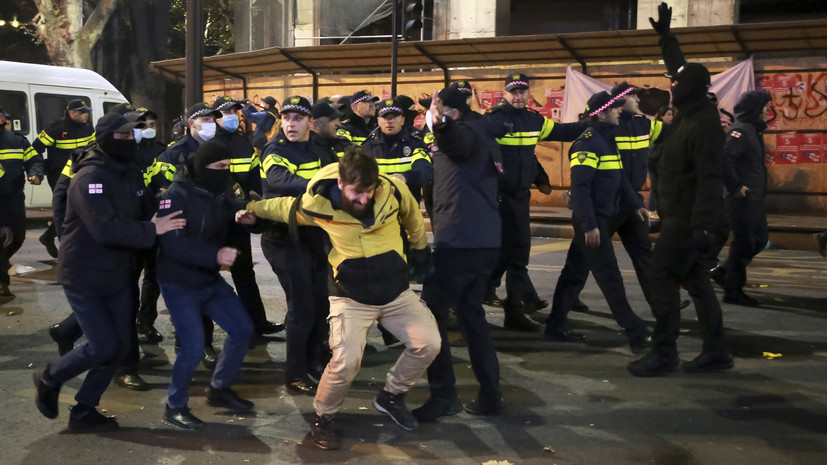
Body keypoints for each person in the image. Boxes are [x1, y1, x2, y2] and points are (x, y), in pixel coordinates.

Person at [237, 146, 441, 450]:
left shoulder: (392, 190)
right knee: (346, 360)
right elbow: (282, 207)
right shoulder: (317, 204)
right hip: (350, 296)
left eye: (369, 191)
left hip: (395, 292)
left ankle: (391, 396)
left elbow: (411, 213)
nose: (364, 199)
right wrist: (251, 208)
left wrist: (420, 248)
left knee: (428, 343)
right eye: (357, 192)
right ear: (342, 184)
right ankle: (323, 417)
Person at [32, 113, 186, 432]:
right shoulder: (91, 176)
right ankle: (49, 377)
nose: (132, 139)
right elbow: (104, 229)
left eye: (134, 134)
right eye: (125, 135)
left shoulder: (130, 171)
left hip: (117, 271)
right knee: (103, 346)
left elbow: (145, 206)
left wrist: (171, 204)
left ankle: (84, 410)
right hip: (84, 273)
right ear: (106, 139)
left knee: (118, 348)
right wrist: (150, 228)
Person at [628, 2, 733, 376]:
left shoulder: (704, 124)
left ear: (693, 90)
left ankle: (664, 352)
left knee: (662, 278)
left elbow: (710, 178)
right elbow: (680, 69)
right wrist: (666, 38)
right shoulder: (690, 110)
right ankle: (716, 350)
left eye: (677, 85)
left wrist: (703, 226)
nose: (671, 86)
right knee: (696, 283)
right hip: (681, 217)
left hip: (687, 222)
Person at [415, 87, 505, 421]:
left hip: (461, 244)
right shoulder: (485, 132)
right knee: (472, 318)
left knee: (430, 316)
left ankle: (444, 396)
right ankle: (491, 395)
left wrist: (441, 125)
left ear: (451, 112)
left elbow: (456, 142)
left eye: (436, 109)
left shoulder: (463, 134)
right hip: (484, 243)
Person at [156, 139, 256, 429]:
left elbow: (237, 208)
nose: (226, 172)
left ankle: (219, 389)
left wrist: (245, 217)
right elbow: (172, 245)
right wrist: (215, 255)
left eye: (228, 167)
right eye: (220, 167)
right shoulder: (175, 196)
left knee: (242, 329)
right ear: (203, 167)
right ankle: (174, 405)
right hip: (179, 282)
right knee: (193, 346)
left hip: (208, 279)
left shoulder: (220, 191)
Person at [543, 91, 652, 353]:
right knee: (610, 277)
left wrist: (636, 205)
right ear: (601, 113)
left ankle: (555, 325)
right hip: (593, 222)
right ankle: (634, 330)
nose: (618, 112)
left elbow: (620, 179)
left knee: (573, 274)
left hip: (600, 218)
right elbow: (580, 188)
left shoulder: (606, 139)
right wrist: (590, 225)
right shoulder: (588, 143)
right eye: (614, 109)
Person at [483, 72, 588, 331]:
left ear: (529, 94)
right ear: (504, 94)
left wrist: (592, 122)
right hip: (496, 198)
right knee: (508, 253)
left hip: (520, 198)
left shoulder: (533, 120)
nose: (518, 96)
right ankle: (504, 305)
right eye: (513, 92)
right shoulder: (493, 121)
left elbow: (562, 132)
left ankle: (509, 305)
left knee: (514, 254)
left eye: (523, 91)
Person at [259, 96, 338, 396]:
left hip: (314, 236)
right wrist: (324, 185)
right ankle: (295, 373)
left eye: (297, 118)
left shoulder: (318, 149)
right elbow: (282, 181)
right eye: (287, 118)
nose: (291, 124)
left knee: (320, 303)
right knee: (301, 307)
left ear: (309, 123)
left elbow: (337, 175)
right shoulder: (274, 149)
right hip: (283, 238)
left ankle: (314, 360)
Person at [159, 102, 225, 368]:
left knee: (206, 285)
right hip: (182, 230)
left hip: (211, 229)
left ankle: (205, 342)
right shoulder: (172, 153)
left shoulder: (218, 148)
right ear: (190, 123)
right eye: (204, 119)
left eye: (212, 118)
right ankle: (185, 342)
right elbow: (163, 191)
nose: (210, 123)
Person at [214, 96, 284, 336]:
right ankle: (201, 337)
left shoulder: (242, 142)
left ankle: (257, 324)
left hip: (240, 218)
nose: (232, 116)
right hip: (216, 221)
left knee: (245, 273)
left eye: (234, 111)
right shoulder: (210, 143)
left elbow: (255, 177)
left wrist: (260, 204)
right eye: (225, 112)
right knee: (207, 276)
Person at [709, 90, 772, 307]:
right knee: (744, 244)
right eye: (764, 106)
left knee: (759, 239)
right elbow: (724, 159)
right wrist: (735, 186)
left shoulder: (752, 131)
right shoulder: (741, 131)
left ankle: (722, 272)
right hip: (741, 199)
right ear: (754, 108)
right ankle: (733, 291)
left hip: (753, 198)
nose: (766, 110)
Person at [29, 99, 95, 258]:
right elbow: (35, 149)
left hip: (81, 175)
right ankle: (67, 248)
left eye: (87, 111)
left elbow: (93, 148)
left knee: (77, 210)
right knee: (67, 209)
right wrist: (40, 169)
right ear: (72, 113)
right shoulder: (55, 128)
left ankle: (49, 237)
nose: (87, 114)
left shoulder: (88, 128)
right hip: (59, 176)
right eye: (83, 112)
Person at [0, 107, 44, 296]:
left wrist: (35, 173)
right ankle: (3, 283)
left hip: (15, 198)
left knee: (17, 238)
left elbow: (34, 159)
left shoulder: (18, 141)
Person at [361, 98, 433, 205]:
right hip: (377, 209)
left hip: (407, 208)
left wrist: (405, 177)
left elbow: (425, 170)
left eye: (394, 116)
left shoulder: (415, 143)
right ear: (378, 121)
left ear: (403, 120)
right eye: (385, 116)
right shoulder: (367, 147)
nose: (390, 120)